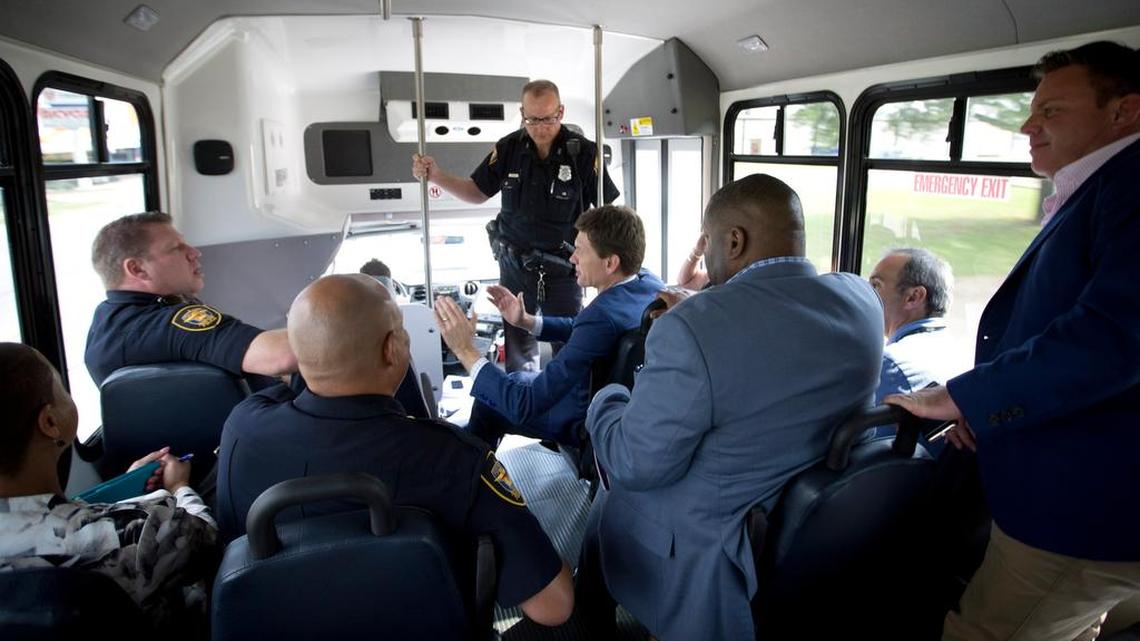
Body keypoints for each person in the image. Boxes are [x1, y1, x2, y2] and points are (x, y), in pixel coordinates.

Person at [886, 41, 1140, 641]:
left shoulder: (1130, 190)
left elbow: (1111, 338)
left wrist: (962, 397)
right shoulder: (1102, 190)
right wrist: (995, 413)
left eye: (1052, 112)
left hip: (1083, 511)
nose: (1028, 126)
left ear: (1124, 112)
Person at [578, 174, 884, 641]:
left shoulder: (690, 330)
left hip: (719, 542)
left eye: (709, 244)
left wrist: (608, 398)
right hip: (819, 516)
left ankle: (588, 620)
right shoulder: (861, 299)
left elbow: (635, 462)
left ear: (734, 240)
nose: (709, 258)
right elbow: (774, 323)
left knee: (607, 497)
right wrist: (702, 307)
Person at [216, 274, 573, 626]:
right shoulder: (453, 459)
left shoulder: (242, 429)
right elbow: (554, 607)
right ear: (391, 349)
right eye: (402, 331)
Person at [0, 343, 217, 628]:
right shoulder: (138, 531)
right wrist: (178, 487)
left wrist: (123, 487)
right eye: (62, 389)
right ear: (51, 422)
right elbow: (207, 538)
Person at [412, 79, 619, 373]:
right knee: (519, 357)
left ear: (561, 112)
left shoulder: (584, 154)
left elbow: (606, 213)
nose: (539, 127)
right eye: (532, 119)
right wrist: (436, 176)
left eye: (547, 118)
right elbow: (477, 192)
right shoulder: (508, 149)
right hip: (515, 270)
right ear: (522, 113)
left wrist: (605, 267)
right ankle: (521, 412)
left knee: (571, 347)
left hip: (564, 271)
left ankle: (571, 412)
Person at [433, 205, 663, 448]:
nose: (572, 258)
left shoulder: (600, 317)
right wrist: (526, 321)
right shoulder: (647, 283)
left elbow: (524, 405)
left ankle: (474, 477)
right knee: (512, 379)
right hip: (620, 405)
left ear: (610, 263)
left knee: (489, 400)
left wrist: (465, 349)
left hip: (582, 416)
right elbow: (585, 329)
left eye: (581, 251)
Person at [85, 211, 297, 387]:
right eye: (177, 248)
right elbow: (282, 356)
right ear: (137, 269)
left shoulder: (107, 320)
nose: (194, 253)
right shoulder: (172, 323)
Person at [869, 247, 957, 402]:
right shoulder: (955, 353)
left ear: (913, 297)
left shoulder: (889, 365)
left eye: (875, 285)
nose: (866, 293)